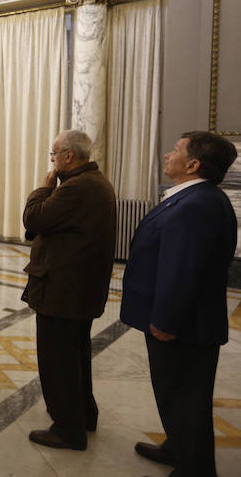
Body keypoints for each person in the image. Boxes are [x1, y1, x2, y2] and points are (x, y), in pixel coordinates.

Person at [121, 132, 237, 476]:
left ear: (193, 164)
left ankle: (195, 468)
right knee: (176, 394)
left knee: (185, 397)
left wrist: (166, 321)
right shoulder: (193, 198)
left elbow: (183, 270)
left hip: (182, 326)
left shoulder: (197, 205)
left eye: (176, 150)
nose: (168, 154)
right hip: (184, 322)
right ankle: (178, 448)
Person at [21, 129, 116, 451]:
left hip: (63, 291)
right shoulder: (96, 183)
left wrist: (42, 189)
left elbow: (34, 219)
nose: (52, 162)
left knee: (58, 361)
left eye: (53, 155)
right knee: (75, 357)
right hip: (80, 289)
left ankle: (67, 429)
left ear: (68, 156)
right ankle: (84, 415)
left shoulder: (76, 188)